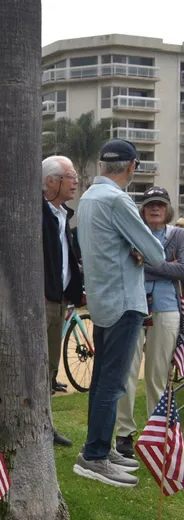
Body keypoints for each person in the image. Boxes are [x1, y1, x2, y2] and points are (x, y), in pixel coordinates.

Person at [73, 139, 164, 488]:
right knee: (111, 385)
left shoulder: (88, 199)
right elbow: (155, 253)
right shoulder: (117, 199)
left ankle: (97, 448)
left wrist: (131, 247)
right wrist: (137, 249)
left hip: (101, 300)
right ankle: (95, 456)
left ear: (100, 165)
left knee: (102, 383)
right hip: (125, 302)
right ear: (131, 167)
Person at [115, 187, 184, 457]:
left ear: (168, 210)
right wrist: (168, 265)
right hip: (133, 307)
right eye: (150, 205)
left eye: (160, 205)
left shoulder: (178, 234)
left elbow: (183, 270)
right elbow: (124, 265)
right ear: (142, 210)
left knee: (158, 376)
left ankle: (159, 433)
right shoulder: (133, 233)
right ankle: (123, 433)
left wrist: (145, 264)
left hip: (166, 310)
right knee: (127, 373)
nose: (155, 209)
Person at [41, 155, 83, 448]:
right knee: (39, 366)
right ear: (50, 182)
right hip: (41, 301)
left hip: (59, 300)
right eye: (70, 177)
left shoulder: (62, 216)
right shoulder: (36, 214)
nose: (75, 182)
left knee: (50, 368)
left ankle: (46, 425)